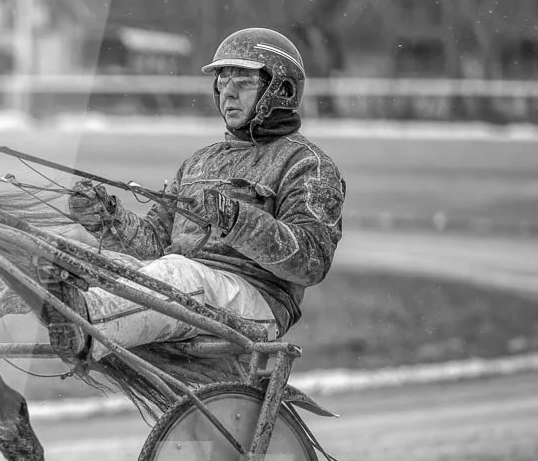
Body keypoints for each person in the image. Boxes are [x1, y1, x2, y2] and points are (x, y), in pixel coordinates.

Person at [45, 27, 347, 361]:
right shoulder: (200, 162)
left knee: (180, 274)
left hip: (256, 299)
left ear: (281, 89)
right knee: (74, 259)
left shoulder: (308, 165)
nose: (226, 94)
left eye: (242, 82)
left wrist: (234, 219)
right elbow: (153, 246)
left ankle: (83, 321)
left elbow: (311, 262)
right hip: (187, 284)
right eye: (222, 81)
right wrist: (108, 219)